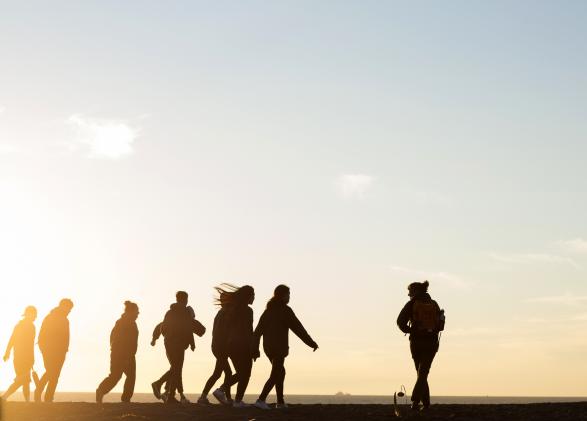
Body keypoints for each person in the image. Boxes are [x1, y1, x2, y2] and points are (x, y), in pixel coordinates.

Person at [253, 285, 318, 409]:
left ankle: (280, 402)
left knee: (280, 372)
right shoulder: (285, 310)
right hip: (279, 348)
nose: (289, 297)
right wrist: (311, 343)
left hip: (268, 348)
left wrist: (255, 349)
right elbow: (298, 328)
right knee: (276, 373)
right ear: (282, 295)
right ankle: (261, 400)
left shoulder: (268, 311)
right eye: (288, 294)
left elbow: (257, 332)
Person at [397, 280, 444, 411]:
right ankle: (426, 404)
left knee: (421, 373)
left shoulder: (412, 303)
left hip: (417, 342)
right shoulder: (434, 304)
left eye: (410, 291)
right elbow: (440, 325)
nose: (408, 294)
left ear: (416, 291)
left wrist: (410, 330)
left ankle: (416, 401)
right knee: (423, 373)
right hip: (432, 342)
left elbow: (400, 322)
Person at [151, 304, 205, 404]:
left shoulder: (171, 313)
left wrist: (156, 339)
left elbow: (161, 326)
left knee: (175, 368)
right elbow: (195, 330)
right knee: (176, 369)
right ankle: (161, 386)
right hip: (177, 345)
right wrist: (192, 344)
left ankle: (169, 394)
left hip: (169, 344)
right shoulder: (184, 316)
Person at [214, 284, 257, 408]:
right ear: (248, 296)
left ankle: (222, 391)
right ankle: (237, 400)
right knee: (245, 373)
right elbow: (249, 331)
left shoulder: (232, 310)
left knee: (241, 373)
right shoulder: (248, 311)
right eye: (253, 295)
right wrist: (253, 348)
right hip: (242, 345)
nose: (254, 298)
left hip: (231, 346)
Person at [96, 301, 140, 403]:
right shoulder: (123, 323)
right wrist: (124, 356)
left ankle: (125, 399)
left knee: (129, 376)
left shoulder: (127, 322)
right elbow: (118, 340)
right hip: (121, 354)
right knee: (116, 376)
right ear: (131, 311)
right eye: (136, 312)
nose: (138, 314)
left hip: (127, 354)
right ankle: (101, 390)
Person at [197, 287, 233, 405]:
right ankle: (224, 397)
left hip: (217, 346)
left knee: (219, 373)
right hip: (221, 347)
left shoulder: (221, 312)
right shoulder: (225, 313)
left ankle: (205, 397)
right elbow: (224, 331)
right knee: (226, 373)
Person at [35, 298, 74, 403]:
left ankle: (48, 397)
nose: (69, 311)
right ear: (62, 306)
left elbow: (66, 337)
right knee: (51, 372)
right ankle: (38, 391)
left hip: (61, 352)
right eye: (68, 308)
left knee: (55, 375)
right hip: (49, 351)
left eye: (70, 309)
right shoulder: (50, 317)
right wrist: (44, 348)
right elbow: (41, 335)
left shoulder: (65, 320)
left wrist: (65, 350)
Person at [2, 306, 37, 402]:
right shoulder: (21, 326)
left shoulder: (31, 326)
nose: (35, 316)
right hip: (20, 357)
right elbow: (12, 339)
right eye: (33, 314)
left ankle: (27, 401)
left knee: (25, 380)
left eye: (35, 314)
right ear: (28, 314)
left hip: (24, 357)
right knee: (22, 380)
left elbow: (30, 344)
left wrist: (7, 353)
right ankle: (4, 397)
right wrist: (7, 353)